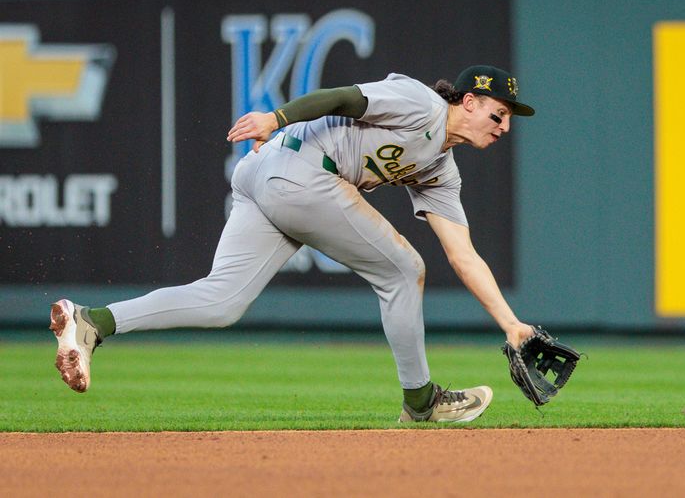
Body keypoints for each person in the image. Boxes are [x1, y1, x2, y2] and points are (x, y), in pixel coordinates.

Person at [49, 64, 537, 423]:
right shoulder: (421, 103)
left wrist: (511, 325)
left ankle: (93, 322)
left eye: (509, 120)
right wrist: (275, 118)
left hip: (273, 175)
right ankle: (421, 401)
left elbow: (463, 254)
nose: (504, 127)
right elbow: (343, 97)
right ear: (468, 101)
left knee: (222, 301)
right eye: (498, 114)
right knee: (403, 271)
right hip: (296, 166)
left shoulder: (440, 171)